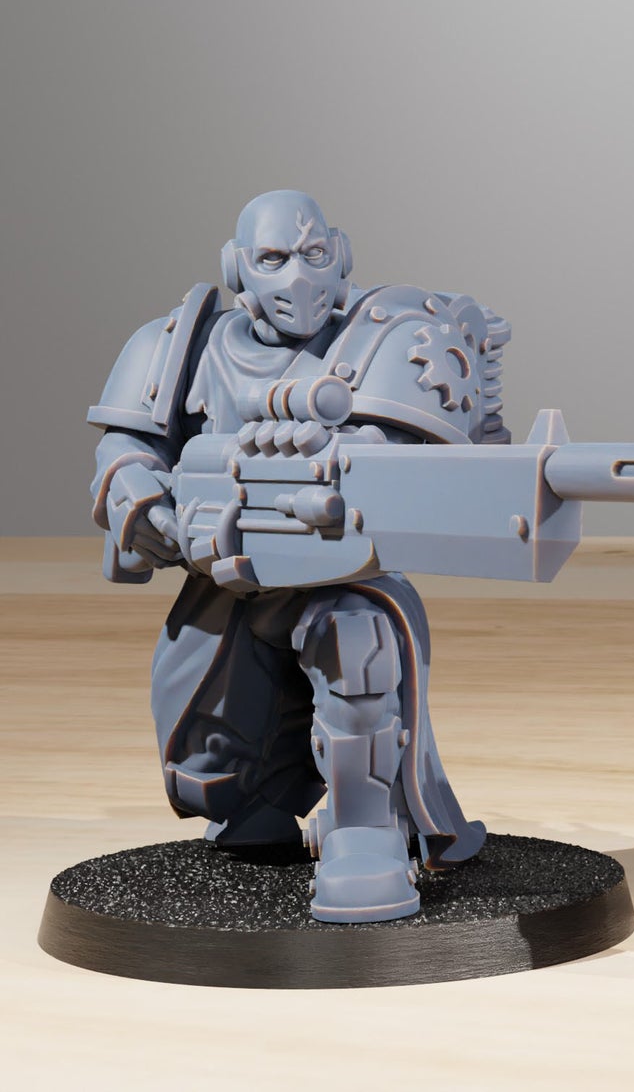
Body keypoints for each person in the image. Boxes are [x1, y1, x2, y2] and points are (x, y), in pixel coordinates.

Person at [89, 190, 491, 922]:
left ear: (340, 255)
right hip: (227, 579)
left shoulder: (382, 341)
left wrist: (350, 455)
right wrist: (138, 500)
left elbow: (415, 448)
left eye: (313, 254)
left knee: (356, 645)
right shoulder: (182, 345)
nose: (298, 277)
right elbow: (127, 445)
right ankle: (261, 806)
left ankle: (364, 831)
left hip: (335, 570)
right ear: (237, 266)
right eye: (274, 258)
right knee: (212, 771)